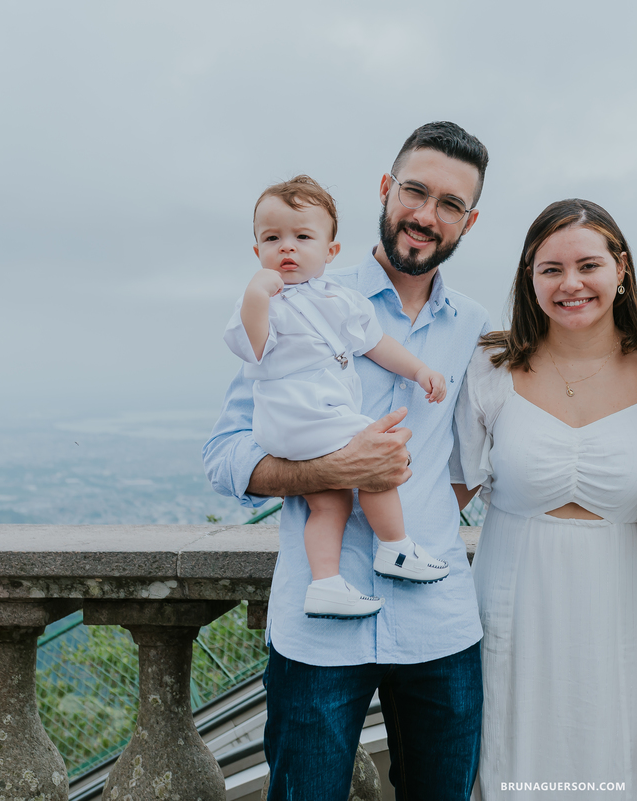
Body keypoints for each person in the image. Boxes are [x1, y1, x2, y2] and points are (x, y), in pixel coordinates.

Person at [204, 122, 491, 801]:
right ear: (387, 190)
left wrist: (418, 507)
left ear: (468, 221)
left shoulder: (473, 325)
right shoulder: (298, 298)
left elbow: (471, 459)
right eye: (415, 192)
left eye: (449, 204)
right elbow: (224, 455)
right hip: (318, 634)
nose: (426, 215)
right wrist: (329, 473)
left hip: (437, 624)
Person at [452, 199, 637, 799]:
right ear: (529, 277)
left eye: (588, 265)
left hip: (623, 628)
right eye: (550, 270)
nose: (571, 285)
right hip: (508, 621)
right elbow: (443, 496)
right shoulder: (489, 366)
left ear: (620, 269)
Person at [225, 175, 450, 622]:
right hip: (299, 417)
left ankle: (325, 583)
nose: (286, 248)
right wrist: (256, 294)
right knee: (378, 456)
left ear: (330, 251)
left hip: (310, 423)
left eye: (302, 237)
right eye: (272, 239)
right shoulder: (267, 303)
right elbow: (252, 345)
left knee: (330, 501)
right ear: (257, 252)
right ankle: (396, 548)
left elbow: (377, 344)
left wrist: (419, 369)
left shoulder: (339, 297)